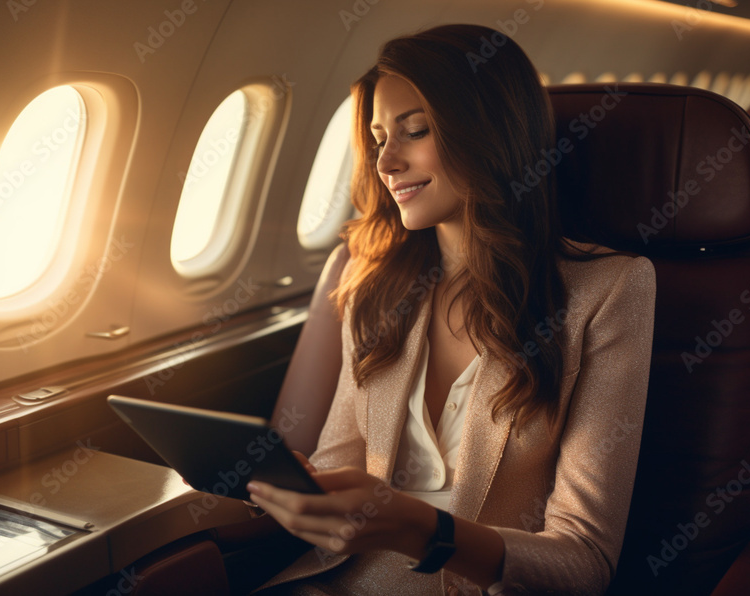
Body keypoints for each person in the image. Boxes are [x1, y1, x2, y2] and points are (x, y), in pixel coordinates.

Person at [245, 24, 656, 595]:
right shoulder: (372, 282)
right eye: (378, 137)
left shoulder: (609, 290)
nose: (386, 162)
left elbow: (584, 561)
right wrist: (298, 491)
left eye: (415, 131)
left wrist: (420, 527)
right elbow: (338, 460)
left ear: (490, 134)